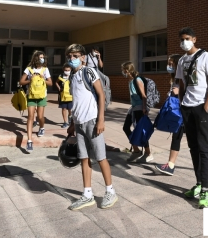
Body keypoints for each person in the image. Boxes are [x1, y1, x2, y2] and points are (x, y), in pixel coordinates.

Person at [65, 43, 118, 210]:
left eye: (75, 56)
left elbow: (101, 94)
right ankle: (87, 194)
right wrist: (73, 123)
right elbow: (76, 101)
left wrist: (101, 119)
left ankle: (110, 191)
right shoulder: (72, 76)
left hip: (93, 121)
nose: (72, 59)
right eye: (70, 56)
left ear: (83, 57)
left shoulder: (89, 71)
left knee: (100, 157)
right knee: (84, 158)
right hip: (80, 123)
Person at [156, 55, 208, 175]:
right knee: (177, 136)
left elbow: (190, 91)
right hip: (180, 112)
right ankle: (171, 165)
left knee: (196, 139)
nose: (169, 66)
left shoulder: (186, 75)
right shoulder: (175, 77)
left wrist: (178, 93)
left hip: (187, 111)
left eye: (171, 63)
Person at [176, 27, 208, 209]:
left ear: (194, 39)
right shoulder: (182, 60)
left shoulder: (205, 56)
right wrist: (181, 103)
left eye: (187, 38)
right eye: (182, 39)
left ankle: (206, 190)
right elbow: (181, 83)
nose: (184, 42)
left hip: (201, 107)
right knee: (193, 147)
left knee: (203, 148)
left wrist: (206, 105)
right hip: (187, 107)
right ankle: (199, 183)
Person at [19, 51, 52, 152]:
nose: (42, 59)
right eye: (40, 57)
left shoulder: (45, 69)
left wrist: (43, 79)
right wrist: (30, 80)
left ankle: (41, 127)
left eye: (43, 57)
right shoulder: (29, 69)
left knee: (40, 116)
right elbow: (21, 82)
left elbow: (50, 83)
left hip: (42, 96)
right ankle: (29, 141)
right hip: (31, 96)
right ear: (35, 59)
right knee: (30, 117)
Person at [121, 61, 153, 163]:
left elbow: (144, 95)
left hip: (140, 108)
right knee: (126, 127)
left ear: (127, 70)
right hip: (134, 108)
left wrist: (144, 108)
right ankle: (136, 150)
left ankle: (148, 153)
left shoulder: (137, 80)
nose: (123, 73)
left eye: (123, 71)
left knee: (141, 131)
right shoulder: (130, 81)